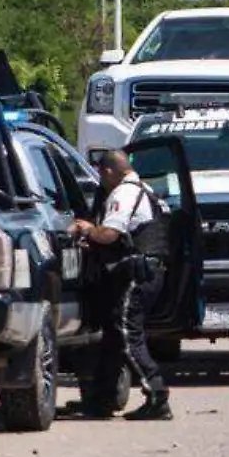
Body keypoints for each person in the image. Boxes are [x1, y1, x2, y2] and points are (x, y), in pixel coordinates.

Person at [68, 150, 173, 421]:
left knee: (126, 335)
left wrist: (86, 228)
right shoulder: (144, 189)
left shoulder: (124, 194)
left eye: (101, 178)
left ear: (107, 172)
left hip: (137, 274)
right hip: (147, 271)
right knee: (114, 337)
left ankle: (157, 396)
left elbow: (109, 234)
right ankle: (102, 400)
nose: (101, 185)